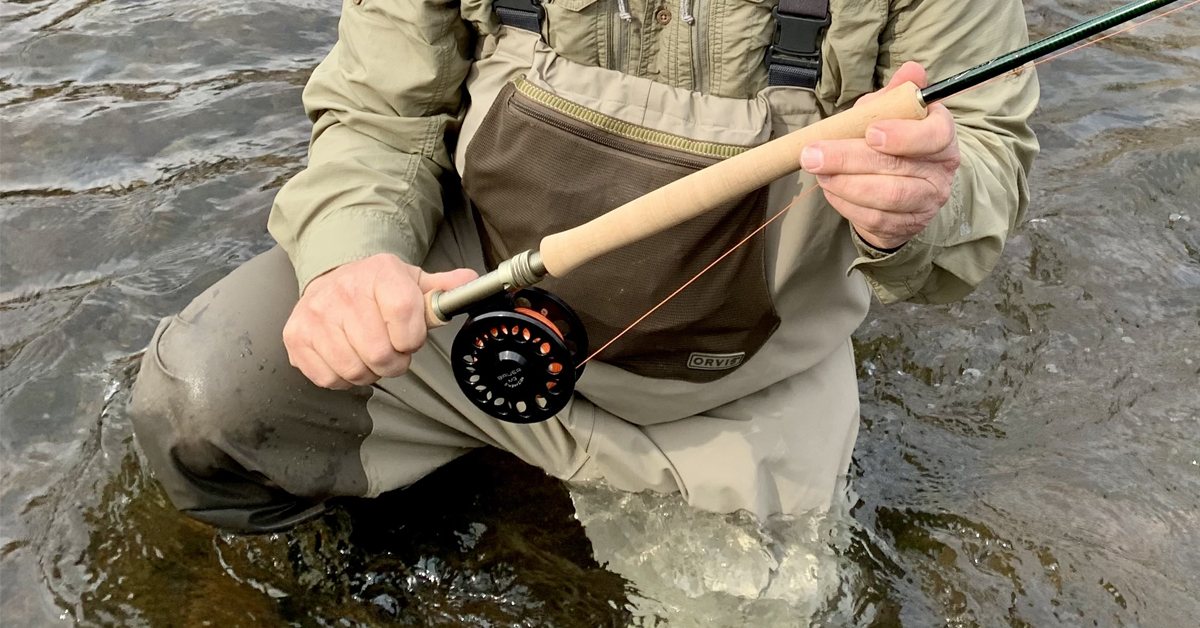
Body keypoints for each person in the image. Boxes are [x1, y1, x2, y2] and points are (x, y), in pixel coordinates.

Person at [128, 0, 1038, 533]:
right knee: (200, 407)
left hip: (737, 386)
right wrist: (353, 265)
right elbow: (379, 114)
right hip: (460, 311)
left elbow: (988, 155)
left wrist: (919, 206)